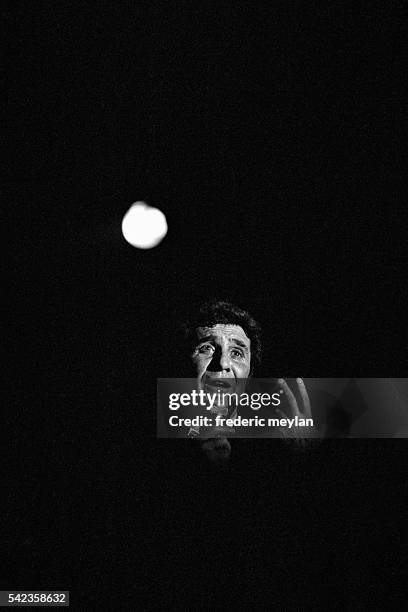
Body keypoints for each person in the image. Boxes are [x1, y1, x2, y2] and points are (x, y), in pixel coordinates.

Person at [180, 299, 315, 462]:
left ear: (249, 373)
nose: (223, 363)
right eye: (206, 348)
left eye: (236, 353)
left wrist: (303, 455)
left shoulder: (270, 447)